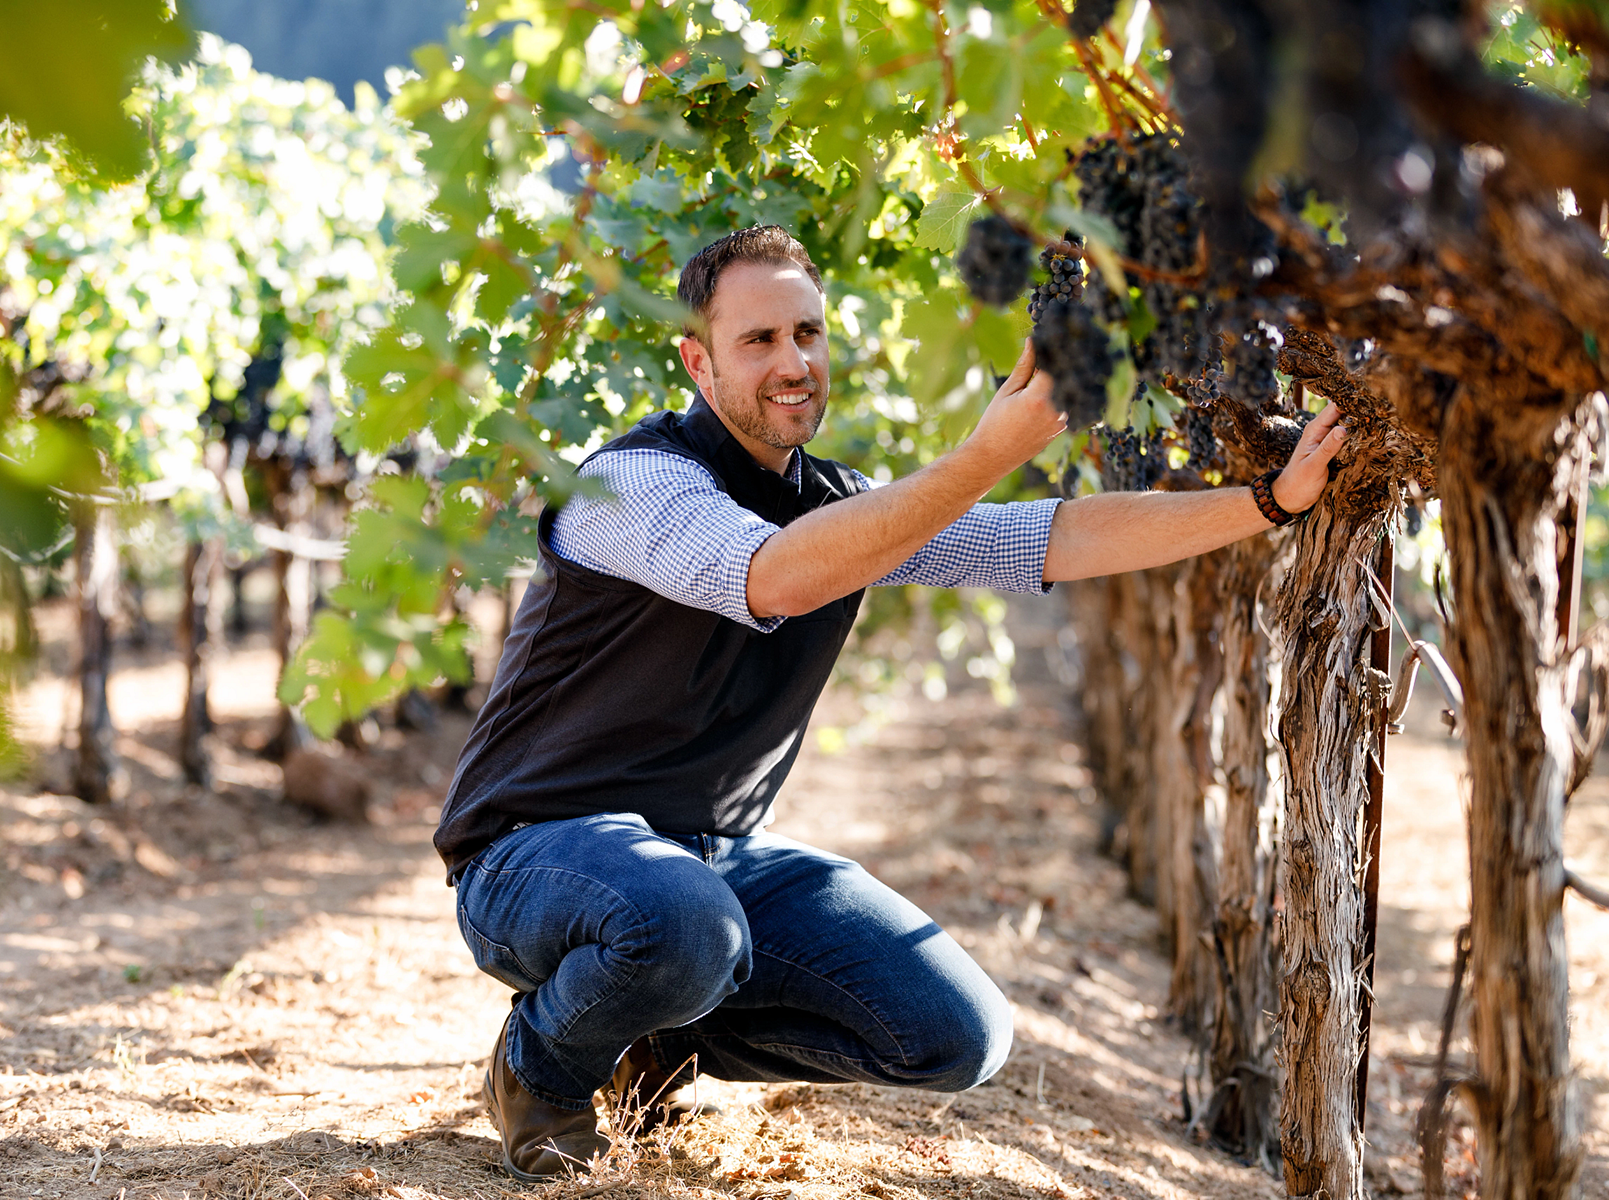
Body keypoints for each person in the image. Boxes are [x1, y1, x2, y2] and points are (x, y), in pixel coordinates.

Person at [433, 225, 1346, 1182]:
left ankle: (644, 1041)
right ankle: (539, 1070)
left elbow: (1041, 539)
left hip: (706, 862)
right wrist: (984, 454)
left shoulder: (838, 505)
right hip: (535, 853)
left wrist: (1268, 504)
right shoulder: (629, 485)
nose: (793, 362)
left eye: (807, 333)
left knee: (957, 1035)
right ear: (697, 361)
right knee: (687, 926)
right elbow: (768, 578)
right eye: (758, 341)